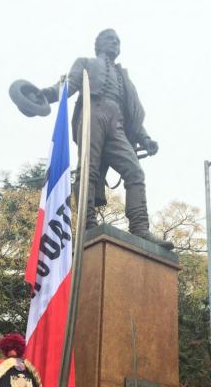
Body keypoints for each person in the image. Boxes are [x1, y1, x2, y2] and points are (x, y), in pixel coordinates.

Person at [41, 29, 174, 251]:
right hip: (93, 111)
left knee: (135, 171)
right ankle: (87, 223)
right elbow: (68, 86)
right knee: (88, 170)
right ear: (99, 44)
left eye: (118, 41)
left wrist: (145, 137)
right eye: (110, 39)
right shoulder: (85, 62)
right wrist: (46, 94)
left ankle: (140, 227)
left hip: (117, 122)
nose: (115, 43)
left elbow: (131, 113)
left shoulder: (124, 77)